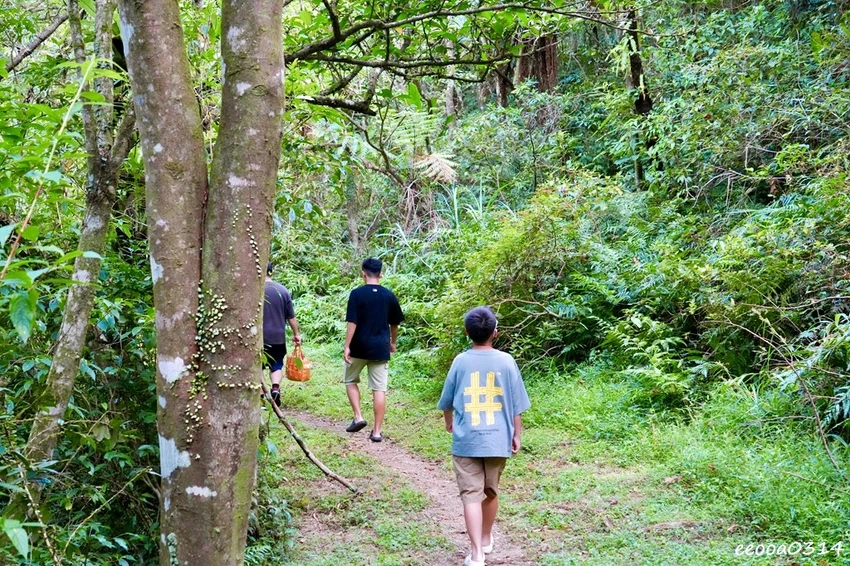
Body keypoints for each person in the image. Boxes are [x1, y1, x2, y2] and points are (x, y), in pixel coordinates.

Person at [437, 306, 530, 566]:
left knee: (470, 495)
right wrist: (516, 435)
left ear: (467, 332)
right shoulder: (506, 361)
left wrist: (449, 424)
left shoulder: (460, 361)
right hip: (498, 439)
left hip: (467, 440)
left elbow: (446, 402)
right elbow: (516, 405)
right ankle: (487, 538)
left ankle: (476, 552)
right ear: (495, 333)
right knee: (490, 491)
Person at [343, 257, 404, 442]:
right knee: (379, 389)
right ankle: (377, 432)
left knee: (350, 380)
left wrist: (347, 346)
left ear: (363, 273)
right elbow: (395, 324)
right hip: (380, 348)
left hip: (358, 347)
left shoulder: (357, 294)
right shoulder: (388, 295)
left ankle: (359, 416)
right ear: (381, 274)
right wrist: (393, 342)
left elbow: (352, 322)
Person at [263, 262, 301, 407]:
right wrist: (296, 334)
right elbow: (291, 317)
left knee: (258, 367)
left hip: (260, 337)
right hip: (278, 337)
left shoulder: (254, 291)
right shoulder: (282, 291)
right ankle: (275, 387)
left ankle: (262, 395)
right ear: (271, 272)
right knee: (276, 365)